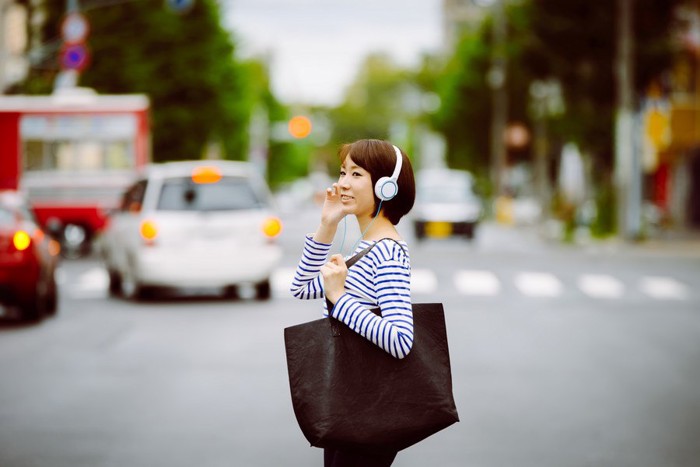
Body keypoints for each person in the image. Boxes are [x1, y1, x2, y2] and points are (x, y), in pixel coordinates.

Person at [290, 139, 417, 467]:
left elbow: (401, 339)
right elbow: (301, 286)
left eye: (357, 174)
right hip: (348, 403)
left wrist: (340, 299)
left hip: (369, 410)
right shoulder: (366, 248)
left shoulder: (387, 252)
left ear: (387, 188)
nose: (343, 183)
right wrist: (327, 223)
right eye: (343, 171)